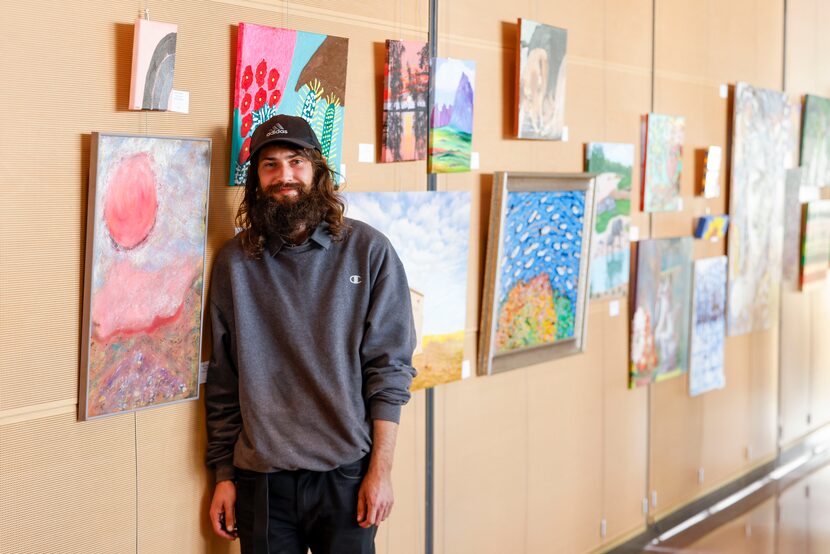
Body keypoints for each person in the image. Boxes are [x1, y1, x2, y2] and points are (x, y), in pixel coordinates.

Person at [205, 114, 417, 553]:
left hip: (345, 475)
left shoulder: (369, 251)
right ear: (255, 181)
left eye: (296, 162)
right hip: (261, 479)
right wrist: (224, 476)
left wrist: (381, 470)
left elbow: (389, 371)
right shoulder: (234, 264)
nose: (284, 176)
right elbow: (223, 380)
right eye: (270, 165)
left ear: (318, 170)